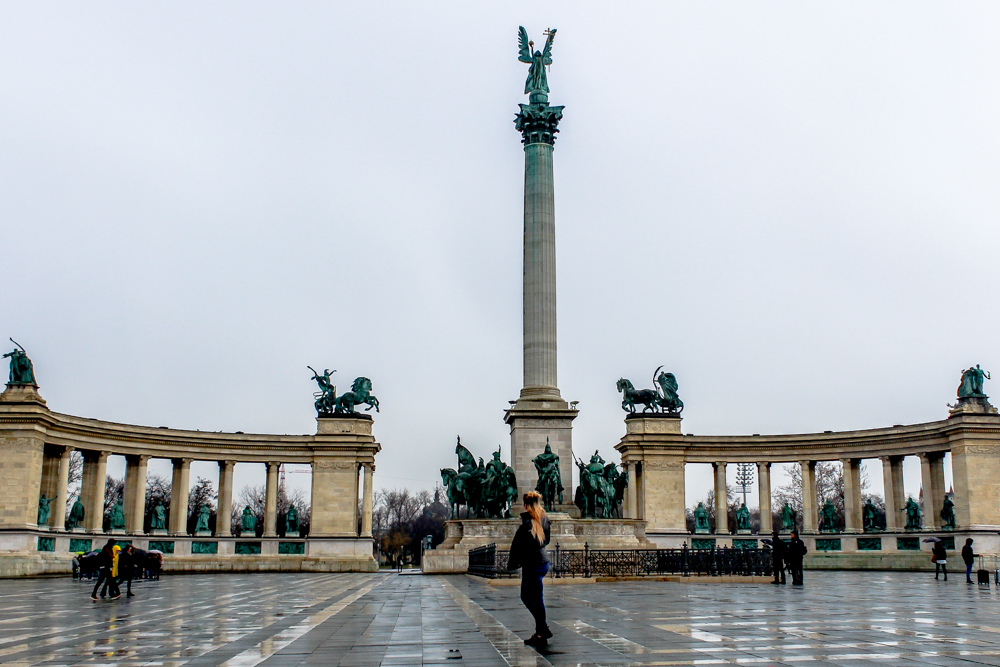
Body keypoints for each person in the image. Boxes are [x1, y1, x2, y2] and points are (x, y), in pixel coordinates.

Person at [507, 490, 552, 647]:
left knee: (531, 598)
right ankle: (542, 629)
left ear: (525, 505)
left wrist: (516, 561)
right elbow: (545, 541)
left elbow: (520, 546)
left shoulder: (528, 523)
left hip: (532, 564)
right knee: (533, 598)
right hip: (541, 562)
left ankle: (542, 631)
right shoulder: (543, 519)